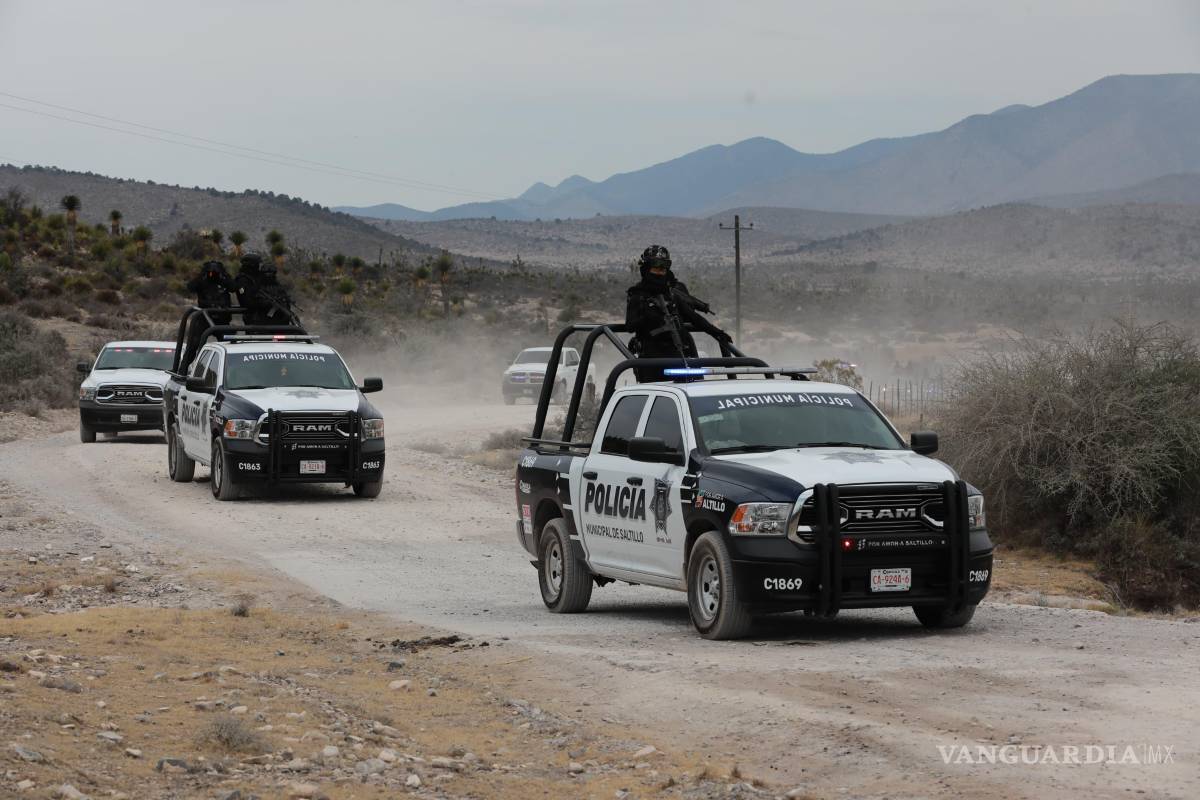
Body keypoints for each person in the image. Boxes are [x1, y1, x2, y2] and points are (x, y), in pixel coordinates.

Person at [625, 245, 730, 381]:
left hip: (680, 355)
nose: (660, 272)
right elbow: (630, 326)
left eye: (663, 268)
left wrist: (717, 333)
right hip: (653, 360)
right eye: (656, 268)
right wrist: (649, 317)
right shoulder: (638, 296)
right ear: (646, 269)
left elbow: (694, 318)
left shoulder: (671, 294)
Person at [182, 260, 234, 367]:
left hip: (222, 319)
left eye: (215, 272)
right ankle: (183, 369)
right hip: (204, 318)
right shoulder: (203, 281)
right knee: (193, 345)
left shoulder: (223, 281)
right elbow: (190, 287)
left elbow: (234, 287)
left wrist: (224, 274)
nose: (213, 274)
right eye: (211, 272)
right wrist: (202, 274)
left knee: (230, 347)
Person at [233, 252, 296, 326]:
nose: (258, 267)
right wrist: (266, 303)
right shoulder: (243, 280)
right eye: (257, 264)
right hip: (255, 317)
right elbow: (248, 302)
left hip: (272, 318)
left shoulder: (258, 278)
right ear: (252, 265)